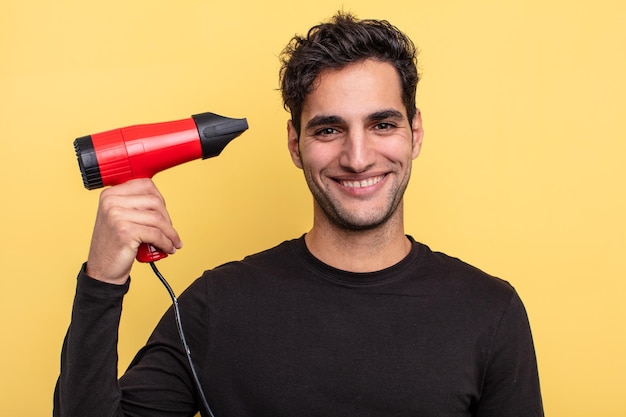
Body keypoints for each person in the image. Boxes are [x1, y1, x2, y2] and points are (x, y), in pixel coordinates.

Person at [54, 11, 544, 417]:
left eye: (382, 124)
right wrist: (101, 281)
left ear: (414, 133)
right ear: (295, 143)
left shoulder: (489, 311)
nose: (357, 157)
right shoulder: (215, 307)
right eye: (329, 130)